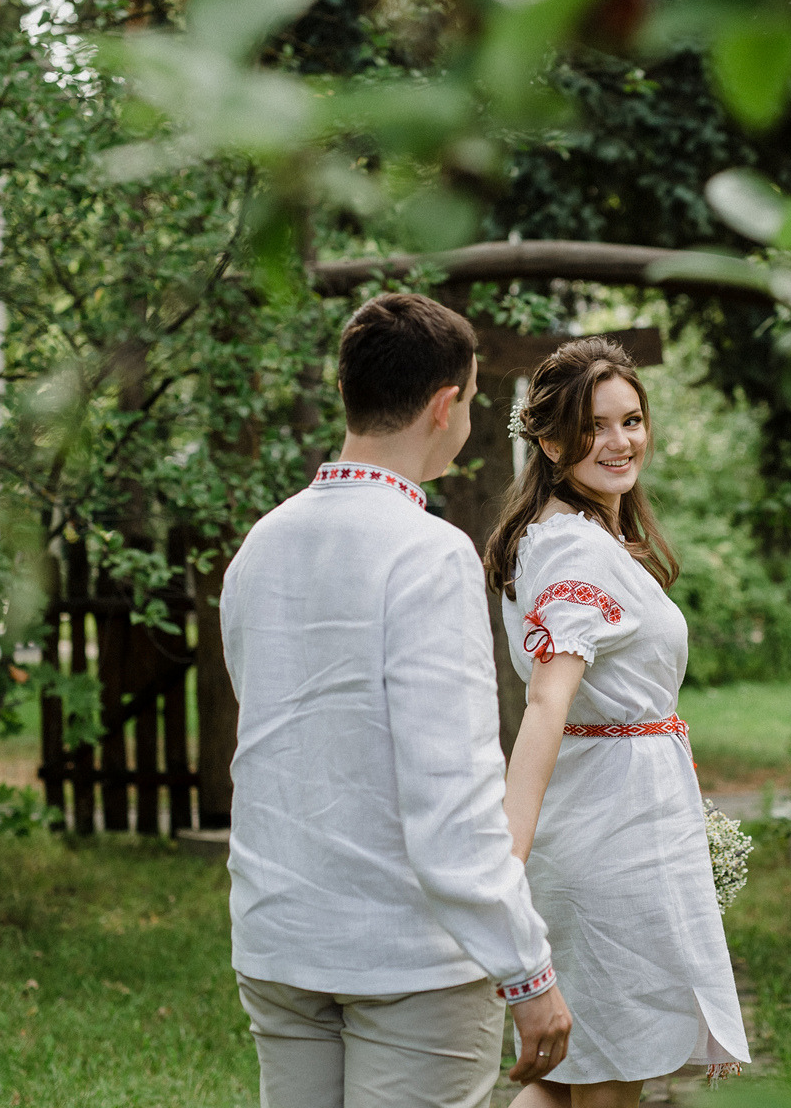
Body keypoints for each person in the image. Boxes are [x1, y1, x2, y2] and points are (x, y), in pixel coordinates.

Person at [221, 292, 573, 1108]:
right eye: (475, 400)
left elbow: (279, 741)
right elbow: (453, 793)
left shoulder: (260, 546)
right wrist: (528, 971)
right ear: (445, 405)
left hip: (279, 936)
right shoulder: (430, 555)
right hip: (408, 960)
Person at [483, 337, 751, 1108]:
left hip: (609, 820)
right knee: (604, 1086)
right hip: (608, 847)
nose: (619, 441)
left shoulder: (558, 532)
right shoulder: (573, 549)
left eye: (631, 420)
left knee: (569, 1079)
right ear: (549, 438)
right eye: (594, 426)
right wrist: (505, 862)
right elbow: (545, 702)